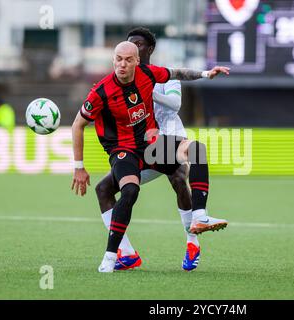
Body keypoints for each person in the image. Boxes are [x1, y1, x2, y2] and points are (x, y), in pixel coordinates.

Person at [71, 41, 230, 273]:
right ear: (113, 60)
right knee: (130, 190)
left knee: (196, 149)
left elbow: (177, 73)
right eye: (118, 59)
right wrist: (79, 167)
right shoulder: (101, 91)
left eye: (128, 59)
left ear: (138, 61)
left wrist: (206, 73)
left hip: (151, 144)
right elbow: (78, 124)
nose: (122, 64)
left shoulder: (147, 74)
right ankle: (111, 255)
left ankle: (199, 216)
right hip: (123, 151)